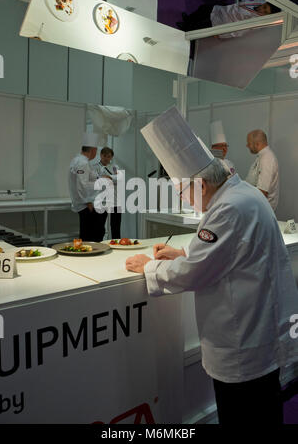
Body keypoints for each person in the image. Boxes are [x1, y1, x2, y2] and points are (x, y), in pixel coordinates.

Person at [125, 106, 298, 426]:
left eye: (182, 192)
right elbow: (228, 256)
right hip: (260, 338)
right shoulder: (243, 194)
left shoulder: (227, 208)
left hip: (242, 345)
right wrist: (182, 254)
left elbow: (194, 273)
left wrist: (150, 267)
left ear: (200, 185)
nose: (185, 200)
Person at [68, 133, 107, 242]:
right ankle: (93, 256)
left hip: (86, 203)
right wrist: (88, 202)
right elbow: (82, 184)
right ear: (93, 150)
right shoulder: (82, 163)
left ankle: (89, 256)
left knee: (88, 234)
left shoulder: (78, 161)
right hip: (88, 205)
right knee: (94, 235)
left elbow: (85, 181)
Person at [176, 1, 281, 37]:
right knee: (202, 9)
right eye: (264, 6)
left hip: (222, 22)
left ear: (266, 16)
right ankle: (188, 19)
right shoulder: (256, 3)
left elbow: (240, 32)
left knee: (200, 25)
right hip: (222, 9)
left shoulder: (255, 22)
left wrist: (222, 34)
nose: (262, 9)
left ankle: (185, 26)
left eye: (265, 11)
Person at [90, 147, 122, 239]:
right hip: (101, 201)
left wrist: (108, 177)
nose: (106, 158)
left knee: (116, 227)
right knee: (99, 228)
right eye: (104, 156)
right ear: (100, 155)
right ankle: (98, 245)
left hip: (115, 201)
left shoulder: (115, 167)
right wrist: (109, 178)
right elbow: (96, 181)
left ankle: (117, 247)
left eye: (109, 156)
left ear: (112, 157)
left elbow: (120, 178)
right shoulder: (95, 167)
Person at [246, 130, 279, 211]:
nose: (247, 146)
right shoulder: (262, 157)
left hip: (262, 209)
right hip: (257, 206)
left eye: (249, 143)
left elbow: (262, 191)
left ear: (257, 144)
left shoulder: (267, 159)